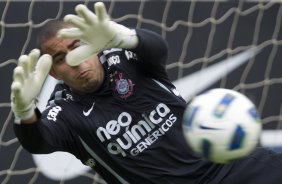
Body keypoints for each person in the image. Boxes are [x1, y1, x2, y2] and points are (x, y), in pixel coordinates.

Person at [10, 2, 282, 184]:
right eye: (60, 58)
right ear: (54, 73)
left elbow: (157, 48)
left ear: (93, 46)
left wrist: (124, 37)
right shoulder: (64, 111)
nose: (74, 60)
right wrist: (25, 113)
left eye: (77, 47)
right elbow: (39, 142)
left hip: (229, 168)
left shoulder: (126, 59)